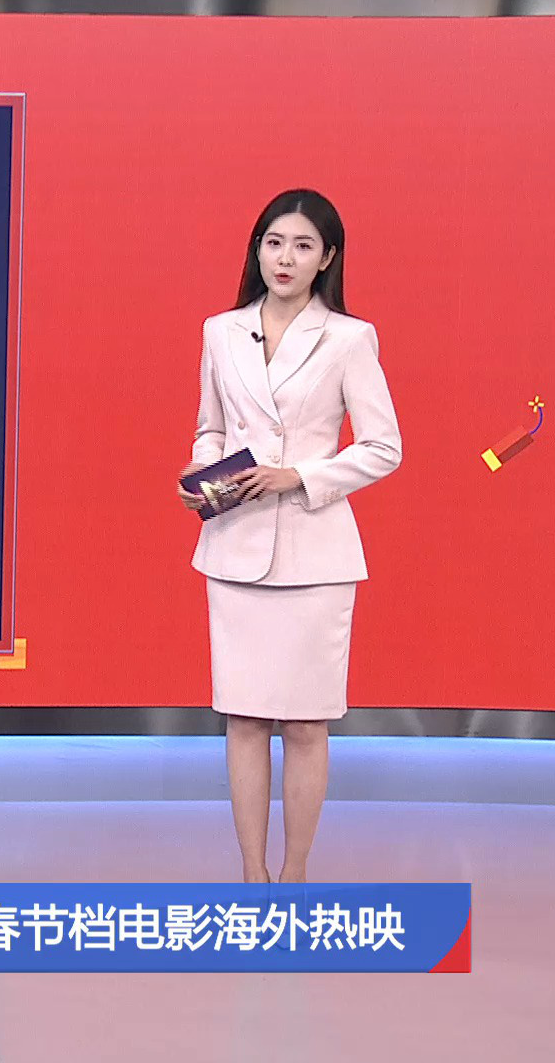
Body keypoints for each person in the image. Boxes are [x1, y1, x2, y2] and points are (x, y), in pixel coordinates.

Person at [177, 189, 403, 884]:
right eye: (274, 243)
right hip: (236, 547)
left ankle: (296, 875)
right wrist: (202, 471)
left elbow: (384, 447)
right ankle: (252, 876)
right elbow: (211, 427)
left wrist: (298, 476)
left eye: (303, 246)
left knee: (306, 724)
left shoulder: (349, 339)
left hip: (316, 555)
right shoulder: (221, 331)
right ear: (257, 249)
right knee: (244, 720)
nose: (285, 258)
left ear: (326, 258)